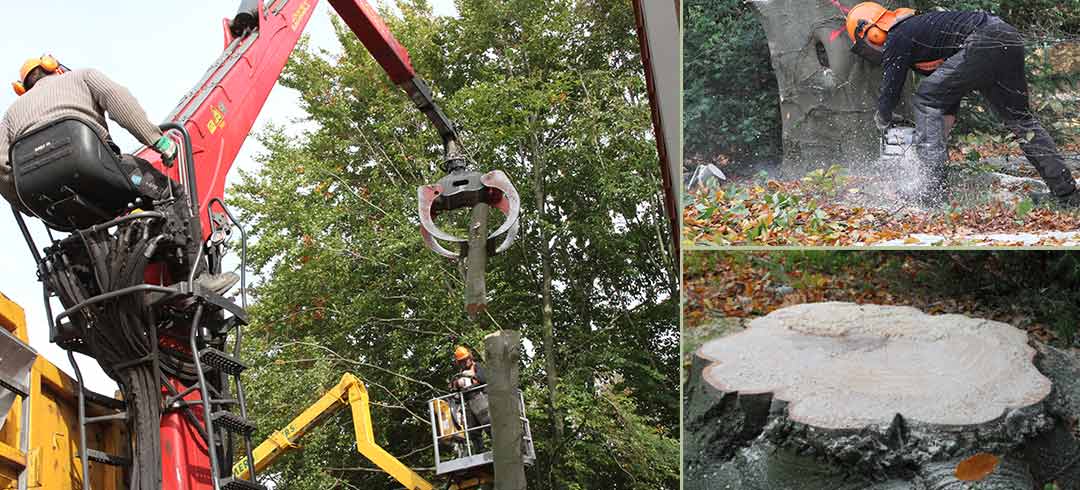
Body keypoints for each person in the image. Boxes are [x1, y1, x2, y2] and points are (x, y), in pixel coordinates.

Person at [0, 55, 238, 293]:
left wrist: (26, 203)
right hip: (93, 169)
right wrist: (157, 141)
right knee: (168, 192)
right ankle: (194, 278)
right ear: (54, 68)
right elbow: (120, 103)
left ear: (22, 89)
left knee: (82, 231)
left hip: (47, 199)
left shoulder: (10, 116)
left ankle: (89, 294)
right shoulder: (82, 76)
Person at [846, 3, 1080, 208]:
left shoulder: (899, 36)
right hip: (1005, 37)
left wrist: (884, 117)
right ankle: (1066, 194)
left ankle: (931, 191)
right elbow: (949, 90)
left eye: (866, 43)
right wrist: (938, 134)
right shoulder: (920, 32)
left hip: (983, 40)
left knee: (925, 97)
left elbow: (891, 89)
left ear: (872, 32)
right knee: (1021, 122)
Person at [450, 345, 490, 453]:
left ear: (470, 357)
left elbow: (484, 378)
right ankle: (480, 451)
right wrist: (458, 383)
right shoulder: (459, 374)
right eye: (462, 361)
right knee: (473, 432)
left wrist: (472, 377)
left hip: (482, 400)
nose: (465, 362)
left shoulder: (478, 367)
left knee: (489, 425)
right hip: (468, 404)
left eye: (466, 359)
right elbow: (452, 389)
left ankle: (500, 446)